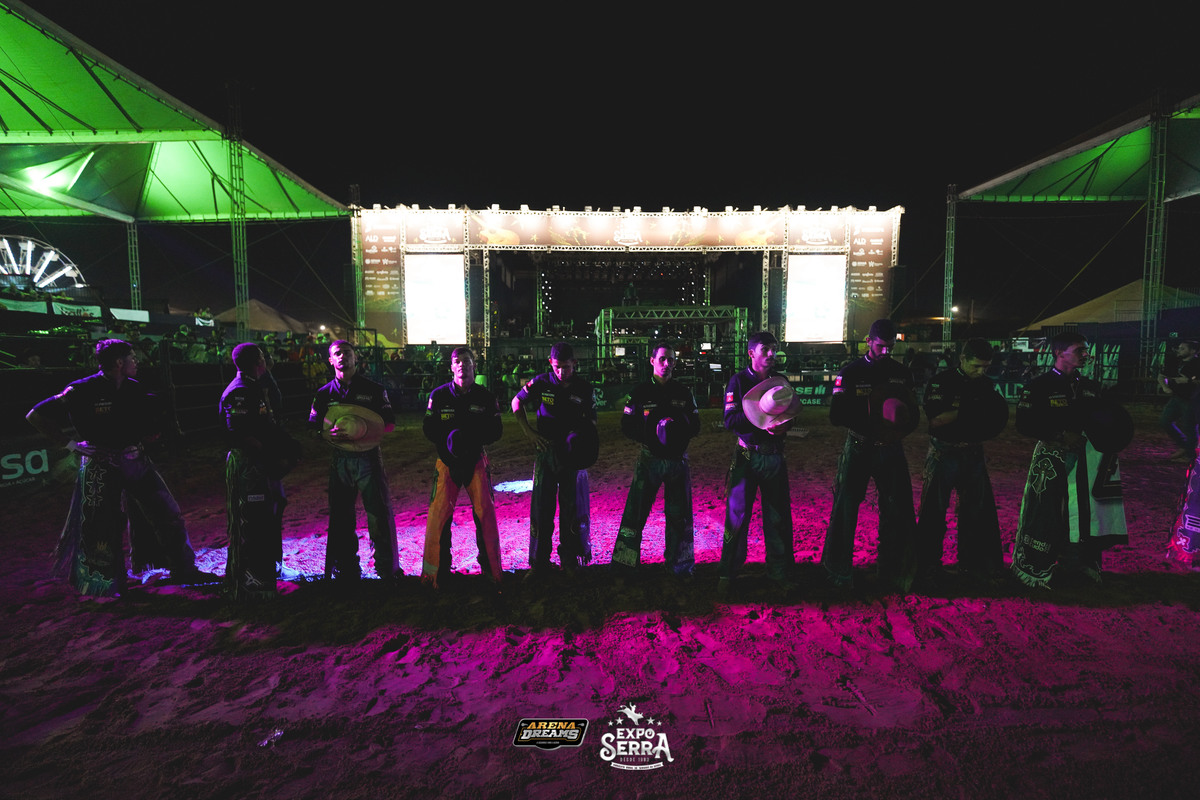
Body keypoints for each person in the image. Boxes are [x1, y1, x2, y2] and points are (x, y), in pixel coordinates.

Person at [26, 339, 207, 597]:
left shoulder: (134, 387)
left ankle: (183, 569)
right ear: (120, 362)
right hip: (102, 467)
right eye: (132, 357)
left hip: (136, 461)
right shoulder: (81, 390)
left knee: (168, 513)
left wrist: (148, 434)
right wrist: (71, 445)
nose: (137, 361)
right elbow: (35, 415)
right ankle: (107, 584)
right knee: (104, 526)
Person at [1011, 332, 1128, 588]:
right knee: (1048, 511)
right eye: (1079, 350)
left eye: (1086, 350)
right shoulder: (1039, 386)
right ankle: (1037, 565)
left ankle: (1079, 563)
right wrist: (1060, 435)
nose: (1085, 355)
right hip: (1052, 461)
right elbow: (1024, 424)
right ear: (1058, 353)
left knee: (1085, 512)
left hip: (1088, 461)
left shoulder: (1090, 387)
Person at [821, 319, 919, 591]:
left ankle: (893, 571)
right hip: (860, 445)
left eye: (890, 347)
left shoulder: (902, 373)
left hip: (890, 447)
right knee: (846, 507)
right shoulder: (851, 373)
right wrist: (871, 416)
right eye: (880, 346)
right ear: (868, 342)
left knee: (897, 508)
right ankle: (838, 571)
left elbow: (912, 414)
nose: (885, 352)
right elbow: (836, 416)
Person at [914, 338, 1007, 586]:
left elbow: (995, 419)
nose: (981, 371)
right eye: (976, 366)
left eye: (985, 367)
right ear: (963, 359)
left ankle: (972, 565)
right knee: (934, 511)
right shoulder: (941, 382)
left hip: (973, 451)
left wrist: (966, 414)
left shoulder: (986, 385)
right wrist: (971, 410)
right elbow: (935, 420)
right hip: (944, 451)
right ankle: (928, 567)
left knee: (976, 511)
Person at [309, 340, 400, 581]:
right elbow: (314, 426)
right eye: (337, 353)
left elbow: (389, 422)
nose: (343, 357)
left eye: (347, 353)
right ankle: (347, 567)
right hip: (340, 458)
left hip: (368, 456)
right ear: (331, 360)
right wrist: (327, 433)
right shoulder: (323, 394)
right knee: (341, 515)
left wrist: (365, 430)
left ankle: (386, 568)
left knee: (378, 514)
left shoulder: (374, 389)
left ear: (355, 357)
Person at [718, 331, 801, 597]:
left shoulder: (779, 381)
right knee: (737, 517)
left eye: (773, 349)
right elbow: (730, 421)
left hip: (772, 453)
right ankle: (728, 572)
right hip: (749, 454)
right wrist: (761, 418)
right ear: (751, 353)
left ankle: (778, 571)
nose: (771, 354)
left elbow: (791, 415)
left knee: (778, 517)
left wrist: (784, 425)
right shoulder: (738, 381)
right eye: (766, 349)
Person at [611, 343, 702, 578]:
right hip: (649, 459)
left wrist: (676, 434)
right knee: (635, 513)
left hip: (677, 461)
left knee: (679, 516)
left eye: (671, 359)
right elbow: (627, 425)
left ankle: (679, 566)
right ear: (652, 361)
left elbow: (696, 425)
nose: (667, 364)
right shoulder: (640, 392)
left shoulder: (683, 392)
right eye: (662, 359)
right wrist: (652, 437)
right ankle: (624, 565)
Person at [220, 343, 301, 600]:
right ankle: (250, 580)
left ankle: (270, 568)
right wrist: (271, 456)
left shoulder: (254, 386)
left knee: (272, 510)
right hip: (250, 465)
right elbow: (240, 433)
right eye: (264, 357)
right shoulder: (241, 391)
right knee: (252, 520)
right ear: (258, 361)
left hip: (260, 462)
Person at [511, 341, 597, 580]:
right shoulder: (541, 382)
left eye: (566, 367)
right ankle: (539, 563)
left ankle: (569, 560)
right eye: (557, 366)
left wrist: (579, 440)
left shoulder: (584, 388)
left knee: (571, 510)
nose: (561, 372)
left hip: (571, 455)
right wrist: (529, 432)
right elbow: (516, 402)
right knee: (542, 509)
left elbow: (592, 421)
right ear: (550, 362)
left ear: (574, 364)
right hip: (546, 453)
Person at [421, 346, 504, 589]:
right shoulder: (438, 396)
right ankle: (437, 574)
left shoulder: (486, 397)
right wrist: (449, 443)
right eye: (457, 361)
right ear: (451, 366)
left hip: (475, 460)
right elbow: (428, 428)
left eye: (466, 361)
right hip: (447, 462)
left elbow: (496, 431)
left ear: (474, 366)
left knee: (485, 515)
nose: (462, 365)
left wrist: (469, 440)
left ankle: (491, 571)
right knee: (439, 517)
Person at [1159, 339, 1199, 462]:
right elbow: (1162, 375)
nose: (1179, 350)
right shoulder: (1177, 362)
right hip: (1177, 397)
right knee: (1165, 421)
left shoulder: (1197, 364)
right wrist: (1165, 387)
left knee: (1189, 427)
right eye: (1179, 348)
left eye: (1183, 348)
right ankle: (1185, 447)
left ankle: (1190, 455)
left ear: (1192, 351)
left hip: (1192, 399)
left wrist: (1188, 381)